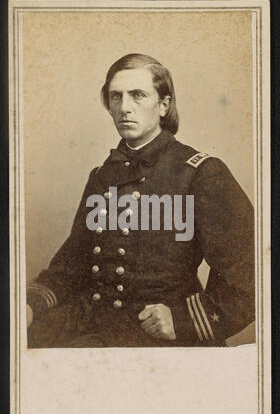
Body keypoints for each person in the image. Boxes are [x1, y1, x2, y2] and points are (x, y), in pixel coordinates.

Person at [27, 53, 255, 348]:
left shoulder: (200, 172)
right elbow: (71, 267)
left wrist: (182, 320)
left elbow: (253, 270)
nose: (125, 108)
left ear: (164, 105)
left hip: (158, 335)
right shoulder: (101, 176)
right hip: (95, 322)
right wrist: (30, 304)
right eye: (115, 97)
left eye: (138, 95)